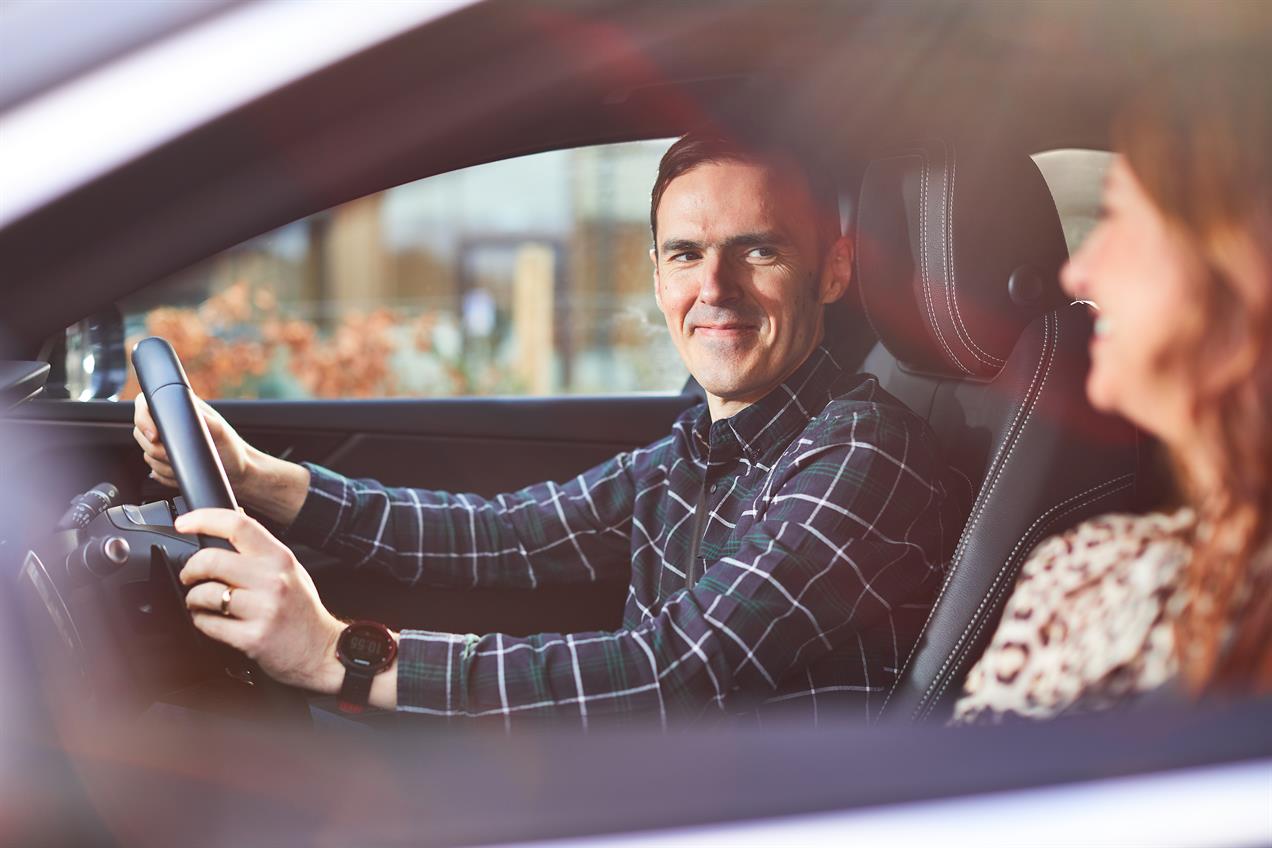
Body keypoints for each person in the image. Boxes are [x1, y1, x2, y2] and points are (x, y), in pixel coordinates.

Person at [134, 130, 966, 725]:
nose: (715, 287)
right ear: (655, 274)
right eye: (684, 254)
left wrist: (336, 653)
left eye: (758, 251)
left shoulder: (864, 450)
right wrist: (257, 480)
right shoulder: (703, 445)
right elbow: (505, 535)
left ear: (835, 271)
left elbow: (670, 672)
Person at [953, 54, 1272, 723]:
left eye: (1117, 216)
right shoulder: (1091, 570)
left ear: (1238, 259)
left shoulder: (1090, 580)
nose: (1078, 273)